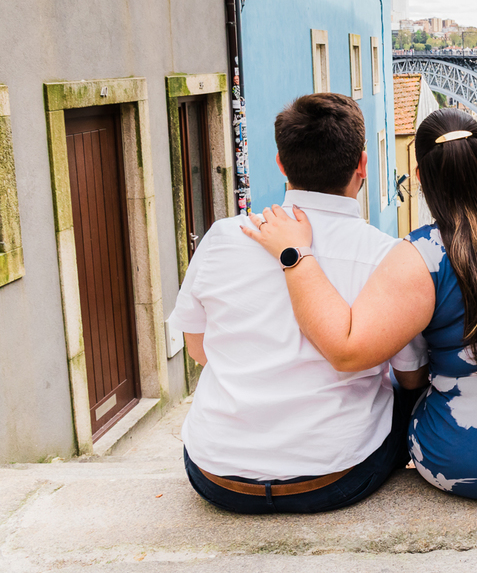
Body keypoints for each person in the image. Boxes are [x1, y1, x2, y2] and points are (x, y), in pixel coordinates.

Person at [244, 108, 477, 502]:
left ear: (422, 178)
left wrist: (295, 254)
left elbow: (347, 350)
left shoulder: (421, 255)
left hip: (466, 465)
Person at [168, 93, 428, 514]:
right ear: (362, 164)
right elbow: (411, 375)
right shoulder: (388, 255)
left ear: (281, 164)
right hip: (337, 476)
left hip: (218, 476)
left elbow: (199, 350)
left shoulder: (221, 237)